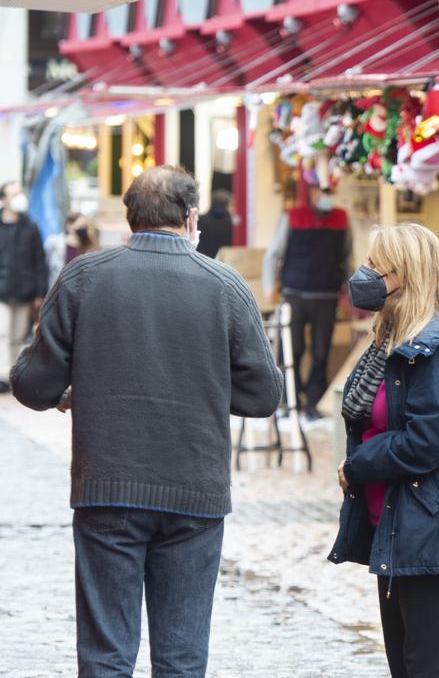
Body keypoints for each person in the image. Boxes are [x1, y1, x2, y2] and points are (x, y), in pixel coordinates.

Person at [9, 166, 283, 676]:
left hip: (108, 483)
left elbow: (30, 383)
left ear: (129, 219)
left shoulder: (84, 277)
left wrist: (71, 391)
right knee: (181, 658)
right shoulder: (225, 285)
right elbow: (265, 393)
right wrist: (204, 385)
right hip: (194, 491)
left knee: (106, 656)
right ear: (191, 217)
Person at [329, 223, 439, 678]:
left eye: (376, 267)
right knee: (404, 664)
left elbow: (427, 442)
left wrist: (359, 465)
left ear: (406, 274)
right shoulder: (394, 341)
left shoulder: (438, 348)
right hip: (400, 525)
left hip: (433, 526)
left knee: (428, 666)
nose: (365, 275)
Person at [262, 186, 353, 421]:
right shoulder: (292, 217)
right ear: (311, 192)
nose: (326, 196)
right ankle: (288, 400)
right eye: (322, 191)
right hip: (295, 294)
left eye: (330, 191)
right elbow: (274, 253)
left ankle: (314, 401)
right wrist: (269, 286)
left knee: (322, 351)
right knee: (291, 349)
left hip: (326, 294)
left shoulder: (342, 219)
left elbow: (348, 257)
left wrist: (352, 293)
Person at [0, 181, 48, 394]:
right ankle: (2, 375)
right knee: (2, 331)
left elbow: (40, 261)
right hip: (1, 292)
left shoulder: (31, 226)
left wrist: (40, 292)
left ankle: (10, 374)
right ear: (4, 200)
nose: (20, 197)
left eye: (21, 192)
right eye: (14, 193)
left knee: (18, 335)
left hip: (24, 292)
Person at [45, 213, 100, 288]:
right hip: (59, 288)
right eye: (80, 226)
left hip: (80, 289)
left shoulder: (88, 246)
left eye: (85, 226)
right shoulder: (55, 243)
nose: (83, 229)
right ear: (69, 226)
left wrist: (91, 238)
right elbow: (47, 265)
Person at [196, 189, 236, 259]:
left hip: (200, 262)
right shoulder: (228, 224)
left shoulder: (200, 220)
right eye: (232, 205)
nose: (234, 209)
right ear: (225, 206)